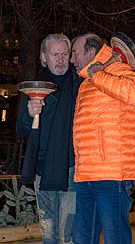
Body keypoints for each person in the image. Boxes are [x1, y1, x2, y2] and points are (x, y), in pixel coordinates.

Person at [71, 33, 135, 244]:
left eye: (75, 53)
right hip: (86, 173)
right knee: (82, 236)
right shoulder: (86, 82)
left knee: (116, 237)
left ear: (90, 52)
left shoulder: (119, 70)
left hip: (112, 173)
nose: (72, 59)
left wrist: (100, 76)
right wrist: (95, 76)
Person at [16, 33, 82, 244]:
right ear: (44, 57)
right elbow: (22, 130)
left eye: (64, 53)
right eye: (55, 54)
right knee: (48, 232)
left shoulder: (81, 85)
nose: (61, 59)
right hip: (42, 171)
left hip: (72, 168)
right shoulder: (35, 88)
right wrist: (29, 112)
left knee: (67, 234)